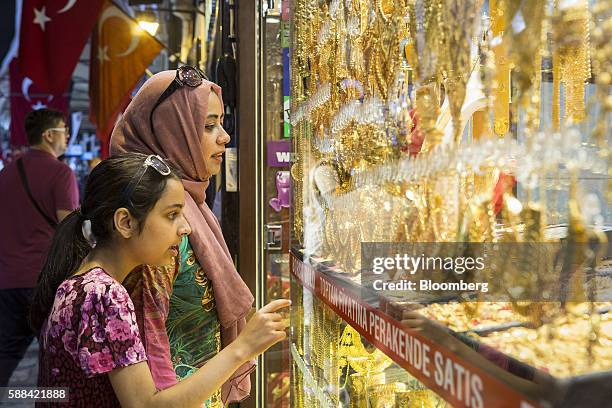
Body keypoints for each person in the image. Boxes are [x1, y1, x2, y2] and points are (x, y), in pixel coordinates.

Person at [29, 153, 290, 407]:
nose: (185, 228)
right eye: (171, 215)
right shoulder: (104, 294)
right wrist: (243, 347)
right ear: (126, 222)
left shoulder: (83, 282)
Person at [110, 67, 254, 405]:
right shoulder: (160, 229)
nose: (224, 137)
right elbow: (150, 361)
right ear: (169, 133)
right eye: (207, 126)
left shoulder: (192, 209)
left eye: (220, 123)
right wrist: (248, 344)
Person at [0, 108, 78, 387]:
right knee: (55, 359)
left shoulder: (6, 172)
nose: (68, 137)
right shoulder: (61, 173)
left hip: (7, 281)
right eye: (64, 131)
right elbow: (69, 229)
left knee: (6, 355)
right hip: (44, 282)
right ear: (48, 135)